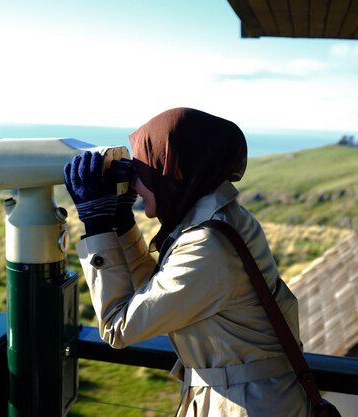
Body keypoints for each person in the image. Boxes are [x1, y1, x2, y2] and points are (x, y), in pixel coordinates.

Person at [64, 107, 312, 416]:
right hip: (250, 396)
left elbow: (118, 326)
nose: (136, 185)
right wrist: (122, 220)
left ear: (172, 171)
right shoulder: (218, 220)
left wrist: (97, 225)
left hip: (247, 405)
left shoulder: (209, 245)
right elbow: (154, 292)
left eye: (143, 172)